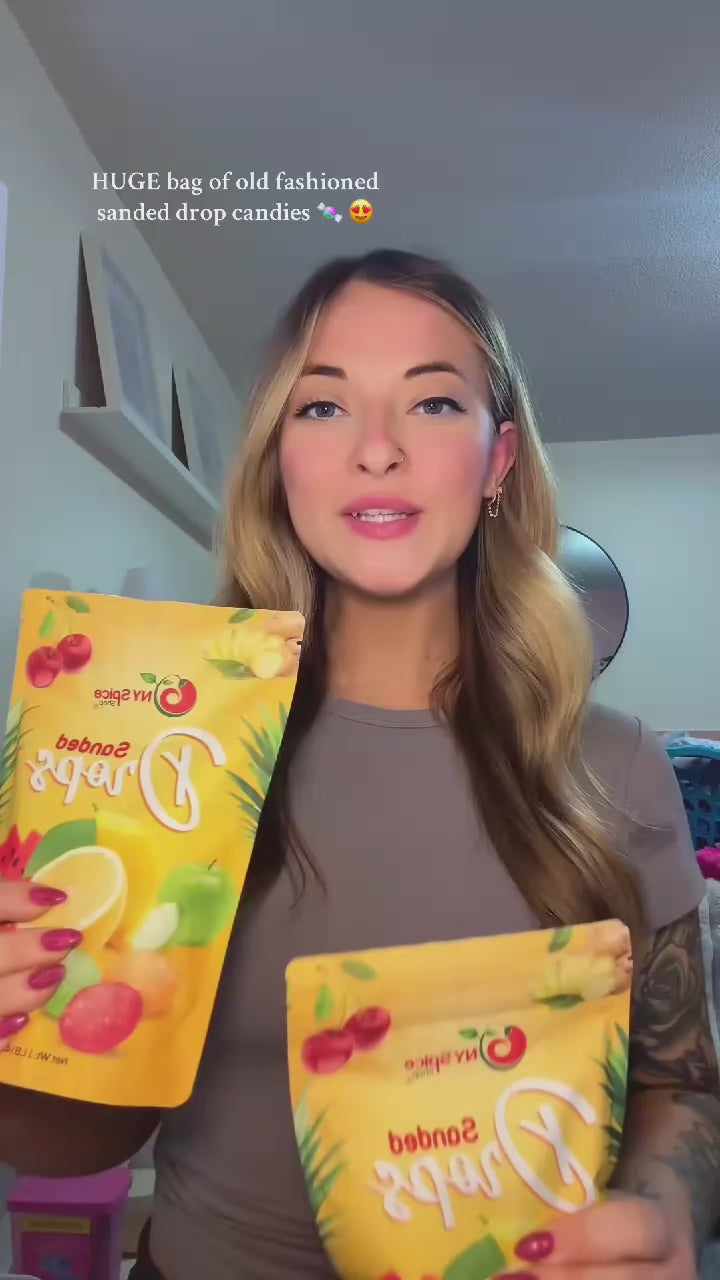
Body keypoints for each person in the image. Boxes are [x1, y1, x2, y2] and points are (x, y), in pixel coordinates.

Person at [0, 249, 717, 1280]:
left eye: (432, 403)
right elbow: (79, 1143)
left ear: (500, 460)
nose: (377, 450)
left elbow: (681, 1082)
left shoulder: (619, 762)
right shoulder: (174, 754)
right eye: (324, 407)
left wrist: (664, 1208)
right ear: (277, 458)